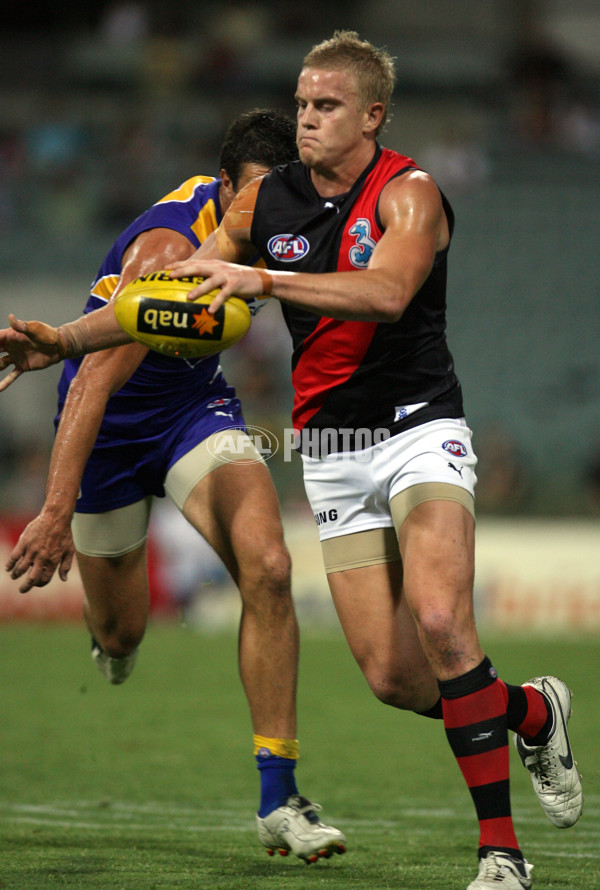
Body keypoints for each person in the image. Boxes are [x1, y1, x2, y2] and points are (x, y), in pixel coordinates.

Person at [0, 34, 583, 888]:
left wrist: (266, 284)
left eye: (327, 107)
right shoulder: (266, 201)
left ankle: (502, 856)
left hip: (421, 429)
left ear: (372, 115)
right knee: (391, 677)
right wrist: (66, 338)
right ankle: (533, 711)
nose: (307, 120)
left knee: (442, 623)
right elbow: (172, 294)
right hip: (335, 452)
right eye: (303, 105)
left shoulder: (410, 194)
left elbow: (386, 295)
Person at [0, 109, 346, 864]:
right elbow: (94, 375)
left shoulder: (284, 222)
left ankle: (279, 797)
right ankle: (110, 639)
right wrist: (55, 510)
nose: (269, 213)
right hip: (108, 428)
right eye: (256, 196)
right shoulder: (170, 246)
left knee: (272, 567)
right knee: (123, 633)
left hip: (194, 409)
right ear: (224, 187)